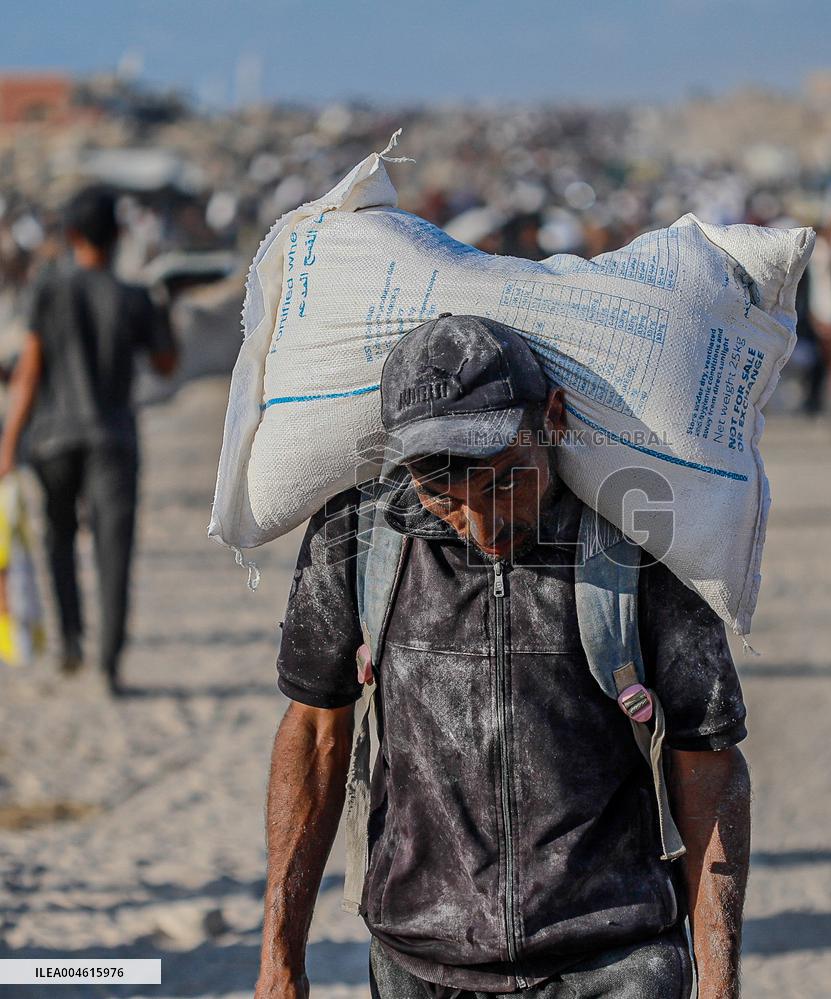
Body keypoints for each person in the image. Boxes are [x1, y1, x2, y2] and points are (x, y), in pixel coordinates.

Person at [255, 315, 751, 998]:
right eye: (445, 498)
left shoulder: (636, 542)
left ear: (553, 419)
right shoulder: (359, 536)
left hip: (613, 962)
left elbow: (708, 763)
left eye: (505, 481)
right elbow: (314, 732)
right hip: (419, 967)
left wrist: (719, 982)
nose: (483, 526)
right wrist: (280, 961)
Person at [0, 187, 177, 694]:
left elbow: (28, 373)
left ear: (71, 235)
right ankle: (109, 663)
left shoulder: (48, 288)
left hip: (52, 440)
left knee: (59, 539)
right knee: (113, 551)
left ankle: (72, 641)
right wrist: (165, 307)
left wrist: (8, 446)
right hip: (113, 440)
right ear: (118, 235)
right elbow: (167, 365)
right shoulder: (135, 297)